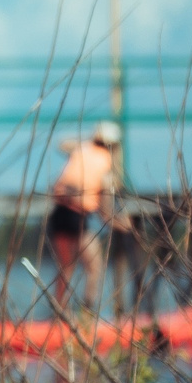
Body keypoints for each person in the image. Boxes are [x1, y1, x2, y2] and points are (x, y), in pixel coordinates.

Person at [48, 122, 126, 317]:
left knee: (66, 266)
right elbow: (105, 211)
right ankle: (87, 314)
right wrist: (123, 225)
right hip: (78, 216)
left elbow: (61, 143)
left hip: (58, 213)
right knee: (94, 266)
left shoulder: (81, 150)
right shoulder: (106, 164)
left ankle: (59, 313)